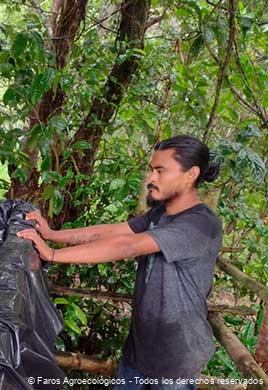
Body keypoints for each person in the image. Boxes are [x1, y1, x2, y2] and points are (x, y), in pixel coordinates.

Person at [17, 135, 222, 389]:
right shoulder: (161, 213)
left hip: (177, 357)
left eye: (160, 171)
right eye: (152, 170)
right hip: (139, 349)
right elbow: (116, 231)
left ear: (191, 174)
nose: (151, 178)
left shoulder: (200, 224)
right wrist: (51, 235)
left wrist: (53, 255)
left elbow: (127, 245)